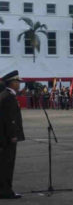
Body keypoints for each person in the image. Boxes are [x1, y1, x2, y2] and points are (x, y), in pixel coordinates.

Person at [0, 70, 25, 199]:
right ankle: (6, 191)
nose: (19, 84)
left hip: (3, 137)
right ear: (12, 83)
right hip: (7, 138)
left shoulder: (4, 95)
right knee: (7, 165)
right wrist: (12, 135)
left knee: (4, 164)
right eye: (17, 82)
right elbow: (10, 119)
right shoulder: (8, 97)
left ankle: (4, 189)